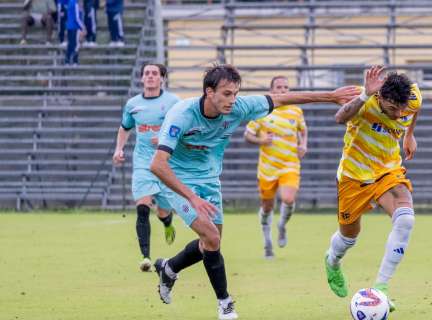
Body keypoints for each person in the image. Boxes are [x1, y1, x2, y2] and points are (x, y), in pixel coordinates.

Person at [150, 64, 359, 320]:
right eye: (226, 94)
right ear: (209, 92)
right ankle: (225, 305)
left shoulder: (239, 107)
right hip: (177, 179)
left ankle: (169, 268)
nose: (232, 100)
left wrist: (331, 96)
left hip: (209, 180)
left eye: (236, 93)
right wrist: (191, 197)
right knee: (213, 238)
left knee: (210, 244)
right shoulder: (182, 114)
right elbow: (157, 164)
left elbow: (282, 99)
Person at [323, 65, 422, 313]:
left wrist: (409, 134)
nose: (399, 114)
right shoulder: (365, 98)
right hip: (354, 175)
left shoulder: (411, 99)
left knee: (406, 219)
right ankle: (332, 261)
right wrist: (364, 95)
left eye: (402, 109)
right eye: (392, 109)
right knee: (348, 237)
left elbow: (415, 109)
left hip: (388, 170)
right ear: (381, 97)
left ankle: (382, 288)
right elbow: (339, 118)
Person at [113, 63, 181, 272]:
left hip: (166, 162)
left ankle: (167, 222)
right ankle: (146, 257)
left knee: (162, 210)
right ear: (141, 78)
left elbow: (182, 128)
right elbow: (125, 128)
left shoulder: (173, 102)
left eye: (155, 73)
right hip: (143, 163)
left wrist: (163, 138)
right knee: (142, 206)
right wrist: (119, 149)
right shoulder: (133, 104)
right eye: (147, 73)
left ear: (162, 78)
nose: (150, 76)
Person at [243, 75, 308, 259]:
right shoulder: (263, 111)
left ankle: (282, 226)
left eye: (286, 87)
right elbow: (248, 135)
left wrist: (303, 144)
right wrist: (261, 140)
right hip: (267, 169)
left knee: (288, 199)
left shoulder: (296, 110)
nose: (282, 90)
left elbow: (303, 130)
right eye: (279, 87)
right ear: (272, 90)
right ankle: (267, 243)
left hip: (290, 164)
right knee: (267, 206)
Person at [64, 0, 84, 65]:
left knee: (71, 44)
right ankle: (74, 61)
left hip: (70, 26)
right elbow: (77, 18)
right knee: (76, 44)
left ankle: (67, 61)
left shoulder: (70, 2)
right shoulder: (75, 3)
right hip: (74, 27)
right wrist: (83, 27)